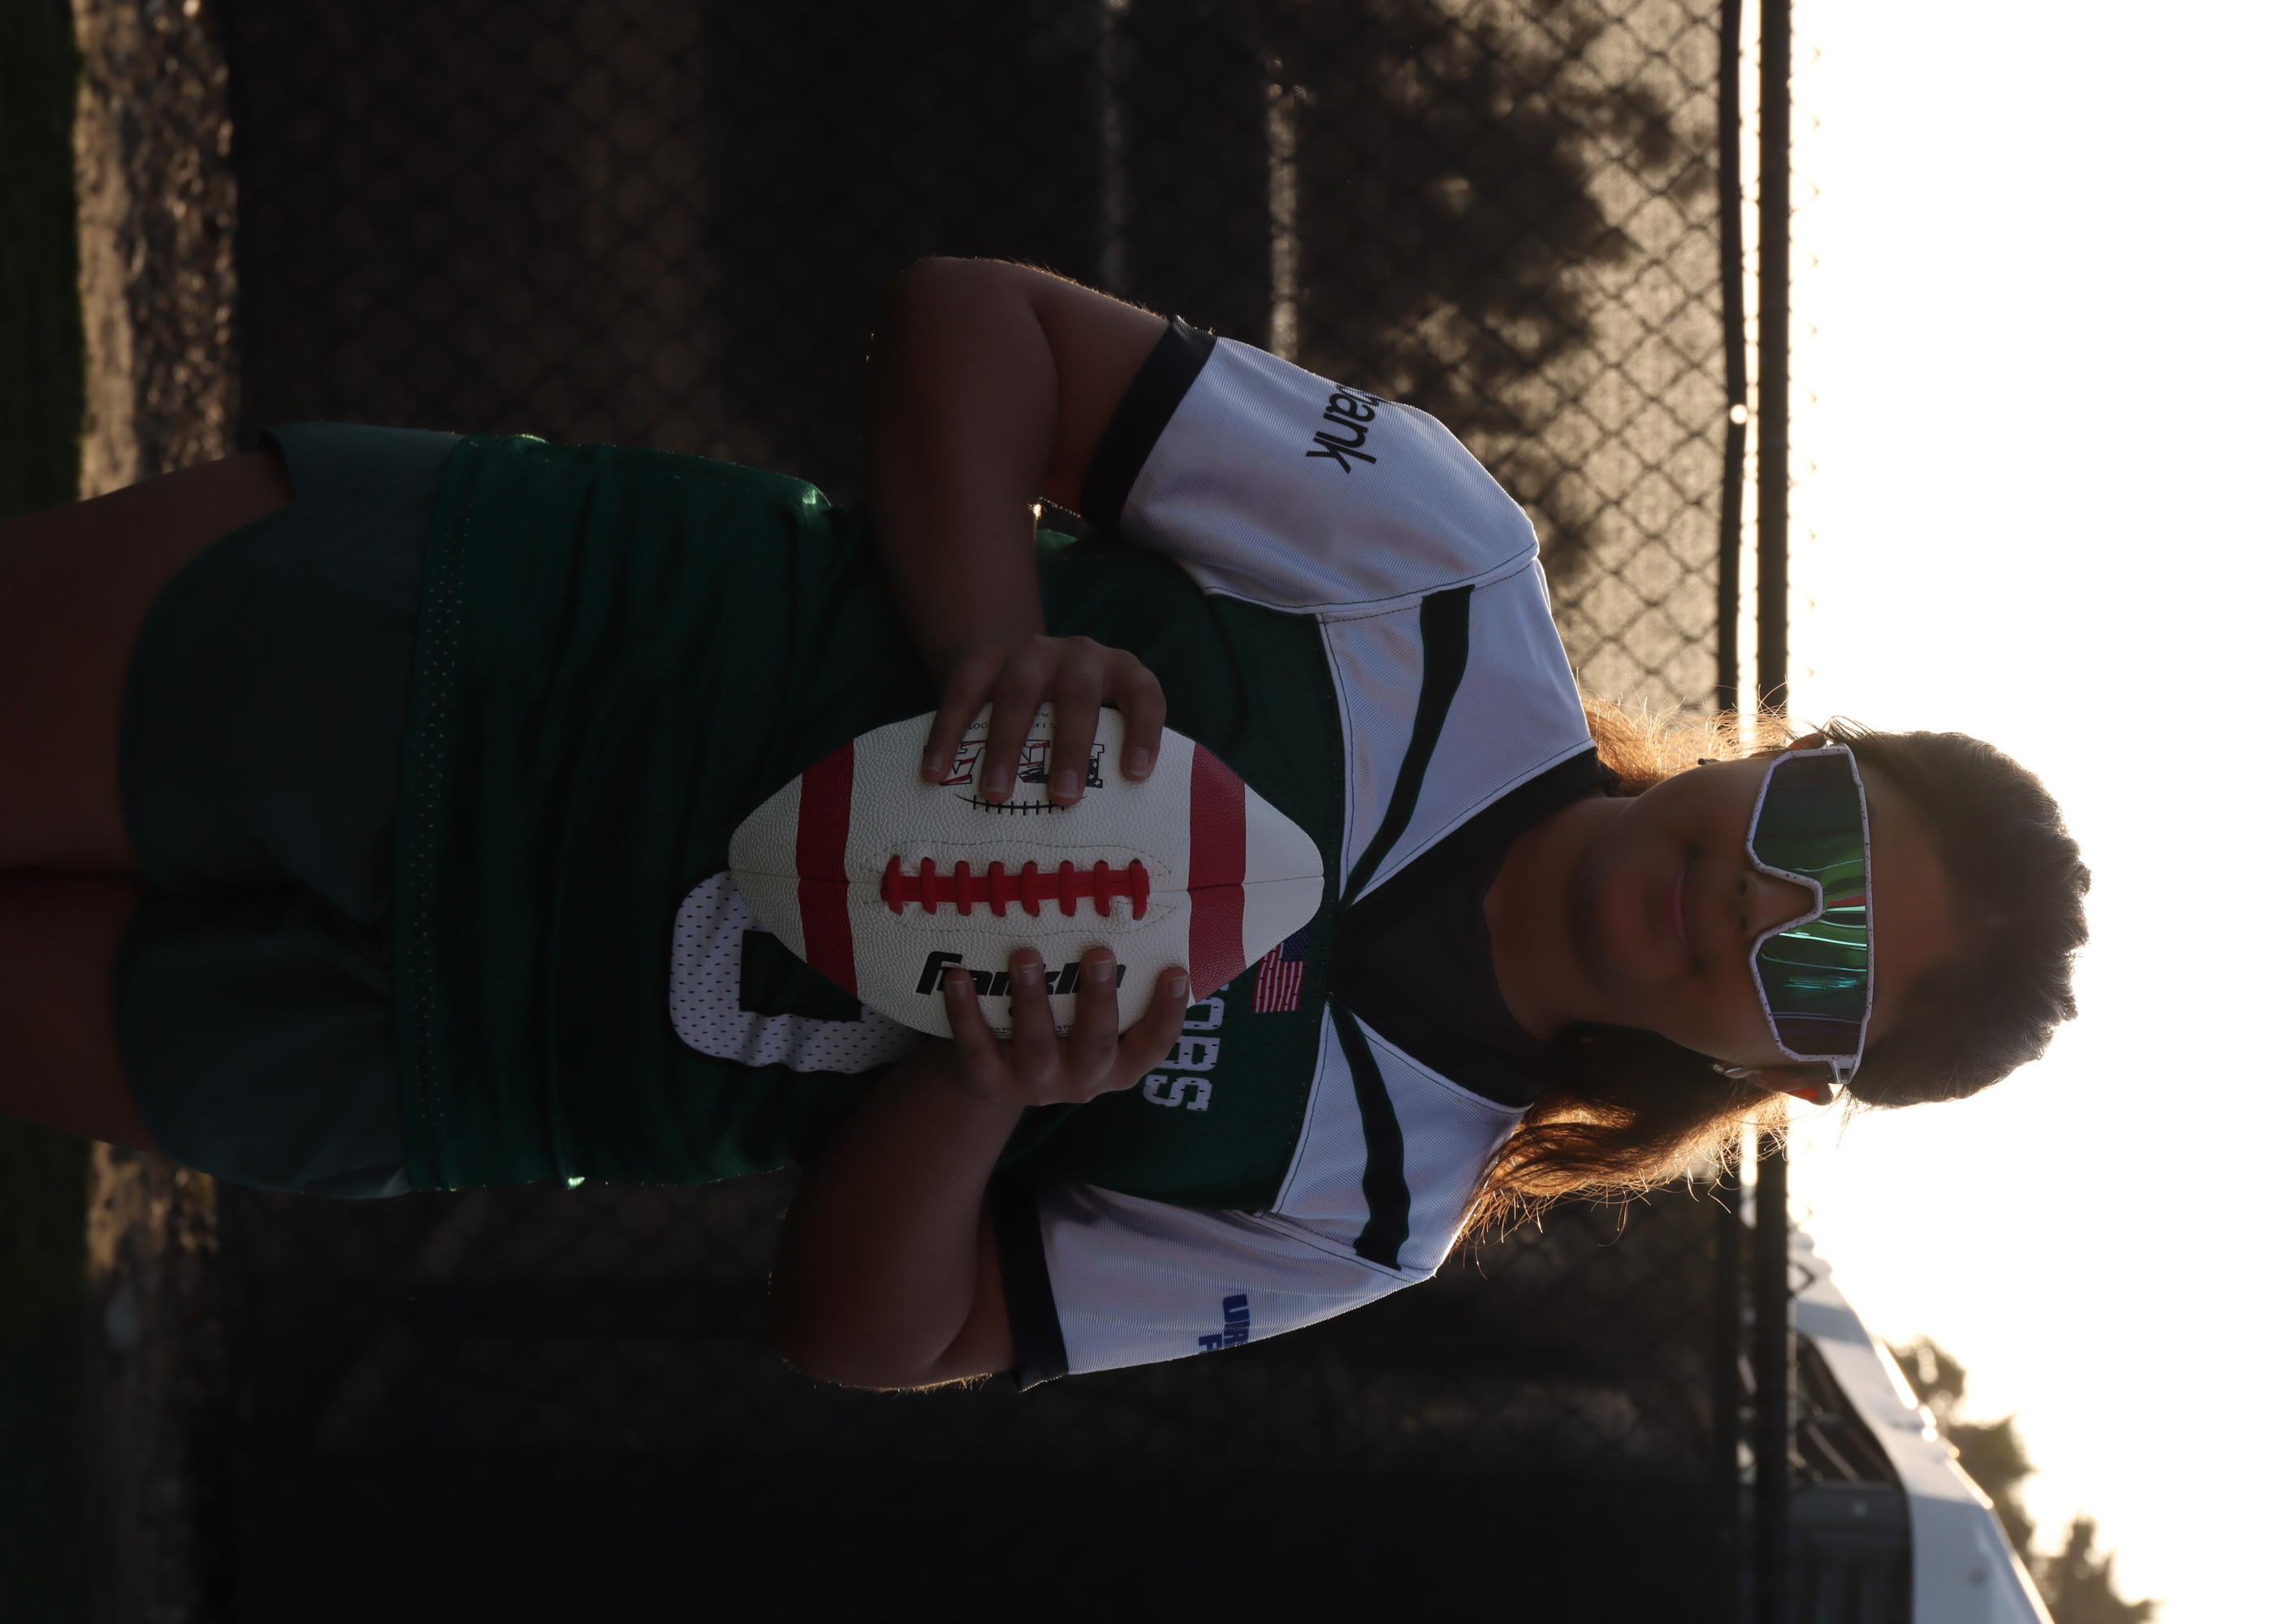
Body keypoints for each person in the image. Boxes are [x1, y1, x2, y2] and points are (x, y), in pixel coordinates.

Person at [0, 258, 2090, 1391]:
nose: (1754, 897)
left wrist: (980, 1082)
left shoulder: (1364, 1212)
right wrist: (995, 639)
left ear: (1784, 1077)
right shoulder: (1441, 578)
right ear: (1782, 747)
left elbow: (874, 1333)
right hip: (506, 645)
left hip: (466, 1049)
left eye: (1821, 961)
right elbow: (973, 324)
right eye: (1818, 828)